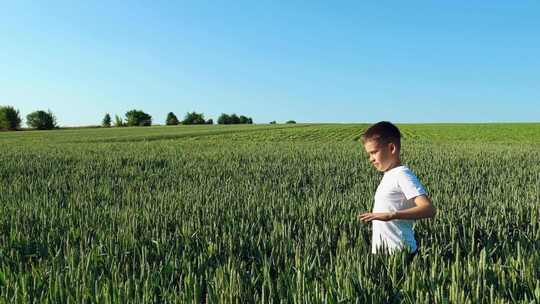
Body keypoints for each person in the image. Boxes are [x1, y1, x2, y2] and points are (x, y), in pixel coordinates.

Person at [358, 121, 436, 260]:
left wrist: (391, 215)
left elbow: (429, 209)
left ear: (392, 148)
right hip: (383, 253)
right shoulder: (389, 175)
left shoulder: (402, 174)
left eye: (374, 152)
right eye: (369, 154)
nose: (371, 159)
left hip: (401, 253)